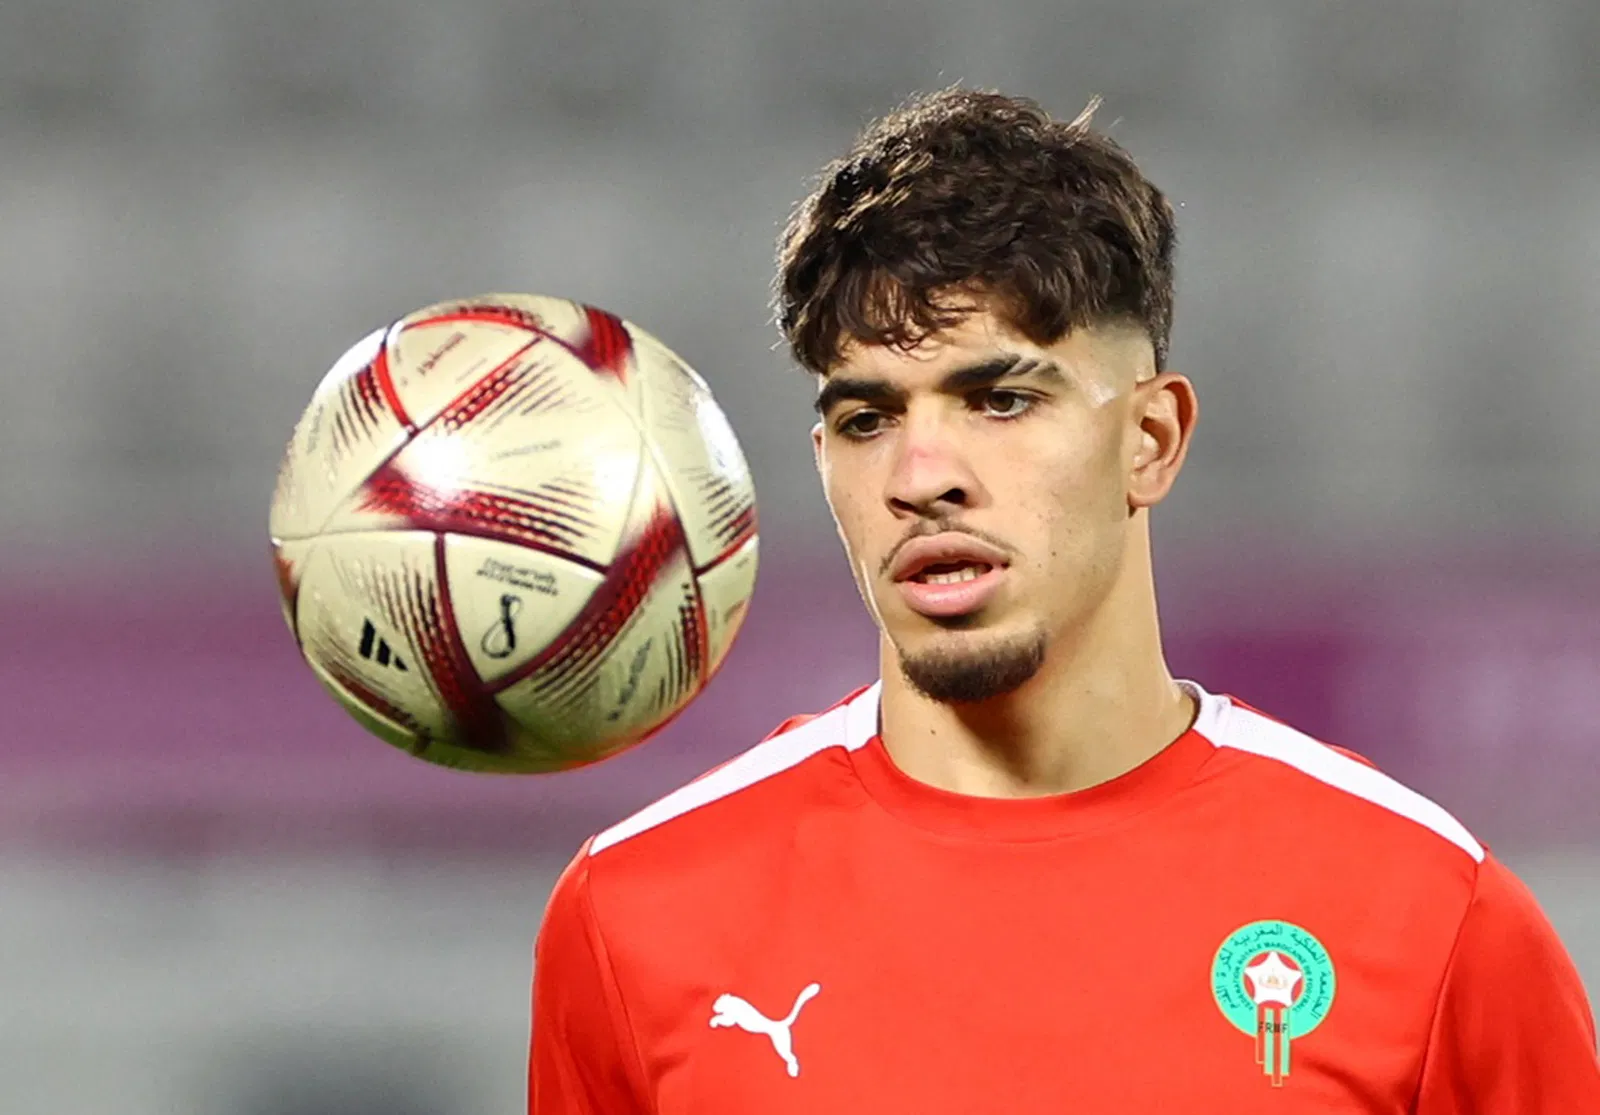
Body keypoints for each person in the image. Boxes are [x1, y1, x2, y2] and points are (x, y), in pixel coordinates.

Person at [527, 88, 1600, 1113]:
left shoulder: (1427, 912)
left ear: (1151, 439)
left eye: (999, 400)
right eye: (867, 419)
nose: (920, 476)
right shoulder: (636, 913)